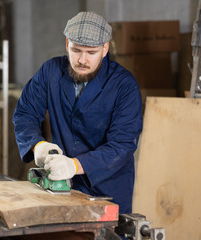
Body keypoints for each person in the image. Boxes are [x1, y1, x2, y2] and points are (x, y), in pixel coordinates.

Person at [12, 11, 143, 214]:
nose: (82, 60)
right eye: (76, 50)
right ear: (67, 44)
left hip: (108, 189)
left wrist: (74, 165)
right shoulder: (50, 72)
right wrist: (38, 145)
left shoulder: (124, 85)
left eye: (91, 53)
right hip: (60, 187)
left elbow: (122, 145)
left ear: (105, 49)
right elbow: (25, 113)